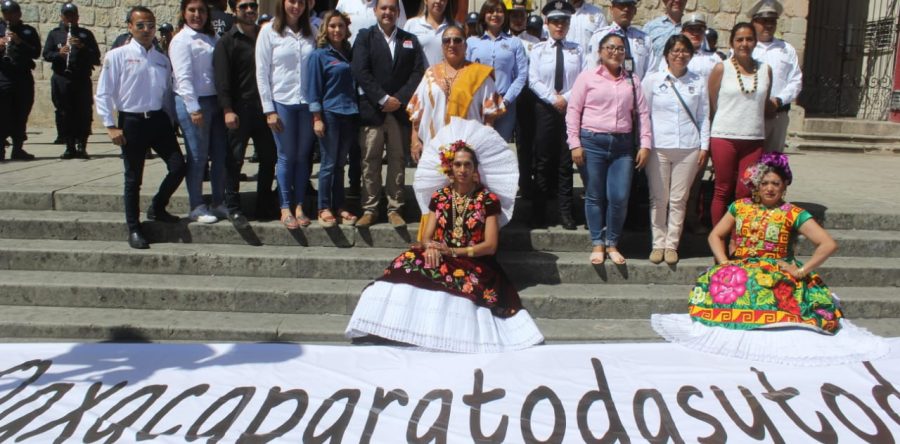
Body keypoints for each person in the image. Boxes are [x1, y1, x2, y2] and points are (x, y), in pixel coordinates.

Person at [651, 153, 890, 366]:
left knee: (767, 286)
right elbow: (716, 235)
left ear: (784, 186)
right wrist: (724, 262)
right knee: (727, 284)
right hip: (741, 267)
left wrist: (801, 270)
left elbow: (828, 244)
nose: (769, 188)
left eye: (776, 183)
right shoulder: (740, 207)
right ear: (756, 185)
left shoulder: (793, 213)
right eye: (764, 183)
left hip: (777, 268)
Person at [346, 119, 544, 353]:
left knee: (457, 278)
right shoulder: (439, 197)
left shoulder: (488, 200)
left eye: (467, 165)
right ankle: (393, 327)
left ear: (475, 169)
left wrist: (451, 251)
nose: (462, 170)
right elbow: (427, 236)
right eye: (458, 164)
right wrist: (430, 248)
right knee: (405, 263)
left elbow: (490, 246)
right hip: (442, 254)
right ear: (450, 167)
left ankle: (447, 336)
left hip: (475, 260)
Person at [95, 6, 187, 249]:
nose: (146, 30)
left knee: (178, 167)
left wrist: (171, 120)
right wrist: (110, 125)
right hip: (132, 121)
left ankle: (157, 206)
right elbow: (103, 93)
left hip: (157, 120)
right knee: (133, 178)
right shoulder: (117, 56)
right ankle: (134, 228)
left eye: (150, 25)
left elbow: (167, 93)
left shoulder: (161, 59)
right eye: (140, 25)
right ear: (130, 27)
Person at [567, 33, 651, 265]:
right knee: (595, 195)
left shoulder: (632, 80)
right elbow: (573, 111)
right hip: (592, 142)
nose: (615, 52)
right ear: (600, 51)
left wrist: (645, 144)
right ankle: (597, 242)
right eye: (610, 48)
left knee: (619, 196)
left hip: (623, 145)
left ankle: (612, 242)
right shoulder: (587, 78)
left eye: (620, 49)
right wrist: (574, 143)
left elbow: (642, 114)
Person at [350, 0, 425, 228]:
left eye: (392, 8)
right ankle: (370, 208)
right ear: (375, 11)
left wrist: (399, 99)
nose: (388, 12)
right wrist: (383, 98)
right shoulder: (365, 37)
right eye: (383, 8)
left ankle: (395, 208)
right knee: (369, 161)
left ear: (398, 12)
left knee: (397, 161)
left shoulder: (409, 39)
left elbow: (417, 72)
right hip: (373, 111)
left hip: (399, 112)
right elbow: (360, 71)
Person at [642, 35, 710, 265]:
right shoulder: (652, 80)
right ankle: (657, 244)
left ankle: (672, 244)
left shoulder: (698, 81)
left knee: (679, 199)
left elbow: (704, 116)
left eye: (685, 51)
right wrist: (644, 143)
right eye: (675, 50)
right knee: (658, 198)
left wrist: (704, 145)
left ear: (691, 54)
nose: (680, 55)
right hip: (659, 146)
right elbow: (644, 114)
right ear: (667, 54)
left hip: (689, 147)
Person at [214, 0, 278, 226]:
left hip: (264, 109)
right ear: (234, 10)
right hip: (239, 110)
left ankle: (264, 202)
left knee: (269, 157)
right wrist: (228, 109)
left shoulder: (265, 35)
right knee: (235, 159)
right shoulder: (227, 42)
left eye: (253, 5)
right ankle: (233, 206)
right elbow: (222, 80)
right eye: (244, 6)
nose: (250, 10)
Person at [256, 0, 317, 230]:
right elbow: (262, 72)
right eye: (292, 1)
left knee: (303, 157)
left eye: (301, 2)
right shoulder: (269, 32)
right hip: (282, 101)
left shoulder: (312, 31)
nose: (297, 6)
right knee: (285, 156)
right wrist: (268, 109)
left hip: (306, 102)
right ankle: (285, 206)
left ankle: (299, 205)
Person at [708, 22, 771, 226]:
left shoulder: (765, 70)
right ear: (732, 43)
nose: (745, 44)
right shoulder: (721, 68)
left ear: (755, 42)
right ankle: (718, 240)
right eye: (740, 39)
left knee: (745, 190)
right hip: (724, 136)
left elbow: (764, 103)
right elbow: (712, 103)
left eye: (749, 39)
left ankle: (738, 240)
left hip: (753, 139)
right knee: (722, 188)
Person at [170, 0, 228, 225]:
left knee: (220, 154)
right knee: (198, 156)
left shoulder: (212, 38)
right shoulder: (181, 40)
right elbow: (183, 77)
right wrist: (193, 108)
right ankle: (196, 204)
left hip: (215, 101)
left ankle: (218, 200)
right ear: (184, 13)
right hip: (193, 102)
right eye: (192, 10)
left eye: (201, 11)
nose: (197, 15)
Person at [528, 1, 583, 230]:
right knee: (543, 160)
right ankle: (539, 212)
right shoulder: (539, 50)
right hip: (545, 108)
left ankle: (565, 212)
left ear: (569, 24)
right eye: (555, 22)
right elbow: (533, 79)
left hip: (570, 108)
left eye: (564, 22)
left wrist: (566, 98)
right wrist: (553, 99)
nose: (560, 26)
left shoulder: (577, 50)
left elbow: (583, 78)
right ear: (547, 24)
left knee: (564, 161)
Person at [409, 25, 504, 156]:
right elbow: (417, 113)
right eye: (446, 41)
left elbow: (489, 117)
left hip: (469, 151)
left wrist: (486, 146)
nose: (451, 44)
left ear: (465, 46)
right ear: (442, 47)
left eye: (457, 40)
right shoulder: (430, 74)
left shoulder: (481, 75)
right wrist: (415, 141)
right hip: (434, 148)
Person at [307, 11, 359, 227]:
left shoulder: (350, 52)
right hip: (330, 113)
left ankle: (340, 206)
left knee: (340, 164)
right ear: (325, 29)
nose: (337, 30)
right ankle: (323, 207)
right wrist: (317, 117)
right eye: (332, 26)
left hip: (350, 113)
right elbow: (313, 89)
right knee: (328, 164)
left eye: (340, 26)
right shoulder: (319, 55)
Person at [43, 3, 101, 160]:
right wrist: (59, 54)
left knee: (83, 112)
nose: (70, 19)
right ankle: (69, 146)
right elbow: (46, 54)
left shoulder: (85, 35)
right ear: (62, 17)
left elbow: (96, 58)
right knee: (64, 112)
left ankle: (82, 145)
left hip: (81, 79)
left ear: (77, 17)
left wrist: (82, 47)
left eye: (73, 15)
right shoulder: (54, 34)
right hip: (62, 79)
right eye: (67, 16)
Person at [465, 0, 525, 141]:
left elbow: (521, 75)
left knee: (499, 146)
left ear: (505, 16)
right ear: (483, 15)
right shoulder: (472, 42)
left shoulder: (514, 42)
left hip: (505, 105)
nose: (495, 15)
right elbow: (465, 72)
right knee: (476, 145)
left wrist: (506, 100)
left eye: (499, 11)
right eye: (490, 11)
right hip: (478, 103)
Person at [749, 0, 801, 153]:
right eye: (763, 21)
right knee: (749, 164)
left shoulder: (786, 49)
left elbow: (795, 80)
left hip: (777, 114)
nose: (768, 25)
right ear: (754, 22)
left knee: (773, 163)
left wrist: (778, 101)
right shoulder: (746, 47)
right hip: (750, 114)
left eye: (772, 21)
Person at [0, 0, 39, 161]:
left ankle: (18, 148)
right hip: (3, 77)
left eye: (12, 13)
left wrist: (18, 41)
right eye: (6, 13)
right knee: (2, 113)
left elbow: (36, 53)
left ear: (19, 14)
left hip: (22, 77)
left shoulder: (28, 31)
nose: (9, 17)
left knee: (21, 112)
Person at [584, 0, 652, 80]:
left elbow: (650, 71)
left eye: (629, 5)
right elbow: (593, 68)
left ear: (635, 10)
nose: (626, 9)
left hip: (638, 89)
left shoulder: (645, 39)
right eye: (621, 5)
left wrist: (638, 90)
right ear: (611, 9)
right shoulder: (599, 36)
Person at [403, 0, 455, 67]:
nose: (438, 1)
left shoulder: (455, 27)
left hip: (449, 76)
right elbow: (404, 56)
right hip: (420, 76)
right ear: (425, 1)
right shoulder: (411, 24)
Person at [337, 0, 407, 45]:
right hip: (350, 55)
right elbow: (336, 27)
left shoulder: (392, 1)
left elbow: (402, 30)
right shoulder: (344, 2)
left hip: (382, 57)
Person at [642, 0, 685, 71]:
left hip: (683, 80)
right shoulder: (650, 27)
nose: (677, 0)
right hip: (655, 79)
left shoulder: (694, 30)